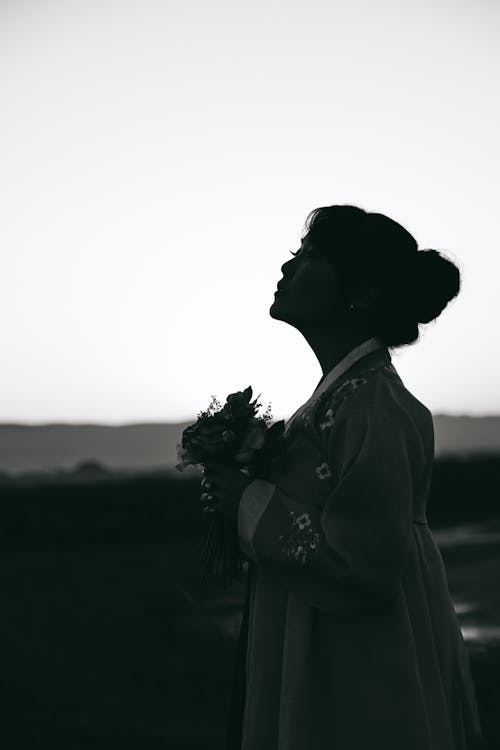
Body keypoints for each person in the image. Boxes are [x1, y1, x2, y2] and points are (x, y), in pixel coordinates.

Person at [200, 204, 484, 749]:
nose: (287, 268)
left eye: (309, 258)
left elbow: (364, 561)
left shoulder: (371, 405)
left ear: (364, 292)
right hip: (320, 619)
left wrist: (249, 501)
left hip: (359, 640)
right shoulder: (339, 398)